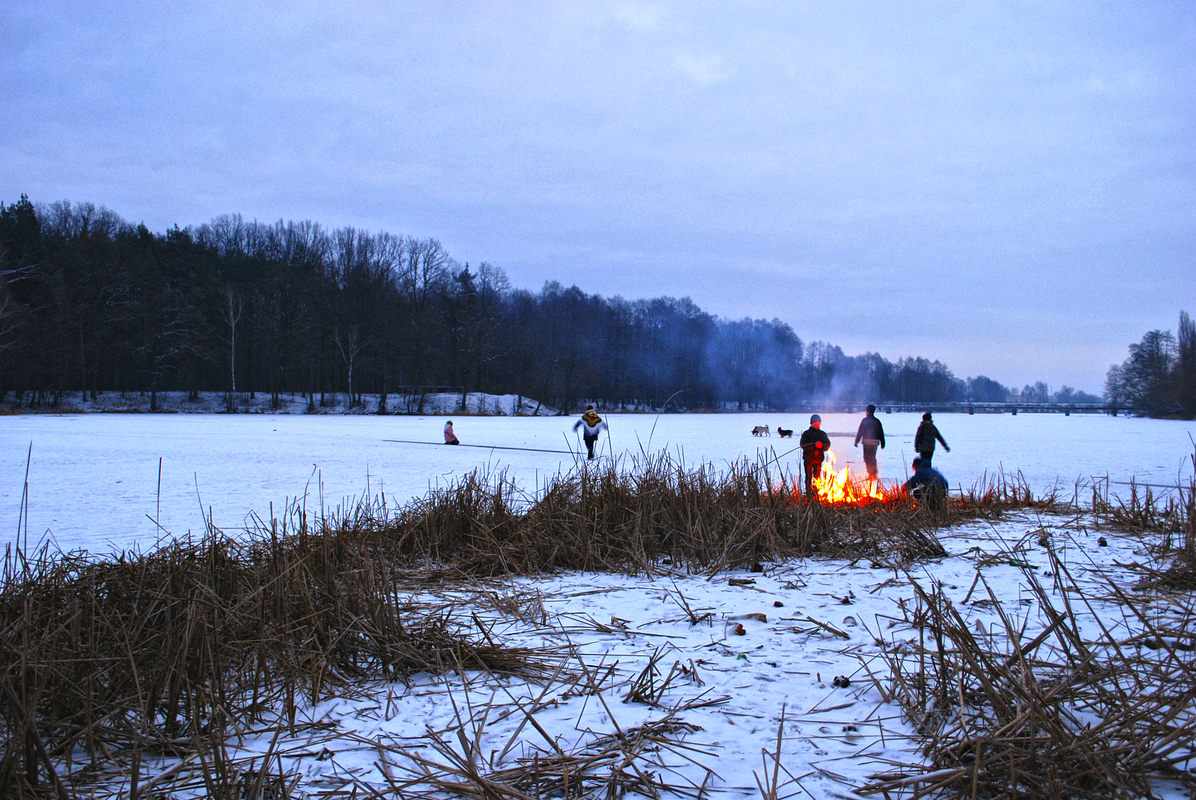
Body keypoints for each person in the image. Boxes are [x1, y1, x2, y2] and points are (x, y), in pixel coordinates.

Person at [799, 413, 832, 494]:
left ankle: (816, 492)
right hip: (808, 459)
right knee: (808, 477)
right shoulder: (806, 433)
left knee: (817, 477)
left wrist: (822, 446)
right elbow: (803, 444)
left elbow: (827, 445)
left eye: (819, 423)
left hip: (818, 459)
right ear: (812, 423)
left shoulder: (822, 434)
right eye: (816, 423)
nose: (817, 425)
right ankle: (808, 492)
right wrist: (814, 446)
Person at [853, 404, 886, 479]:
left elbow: (860, 431)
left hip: (866, 442)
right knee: (872, 457)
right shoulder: (877, 421)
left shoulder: (864, 421)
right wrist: (883, 443)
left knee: (866, 458)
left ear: (867, 411)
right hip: (874, 442)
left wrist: (856, 441)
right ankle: (874, 472)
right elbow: (881, 432)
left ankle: (870, 473)